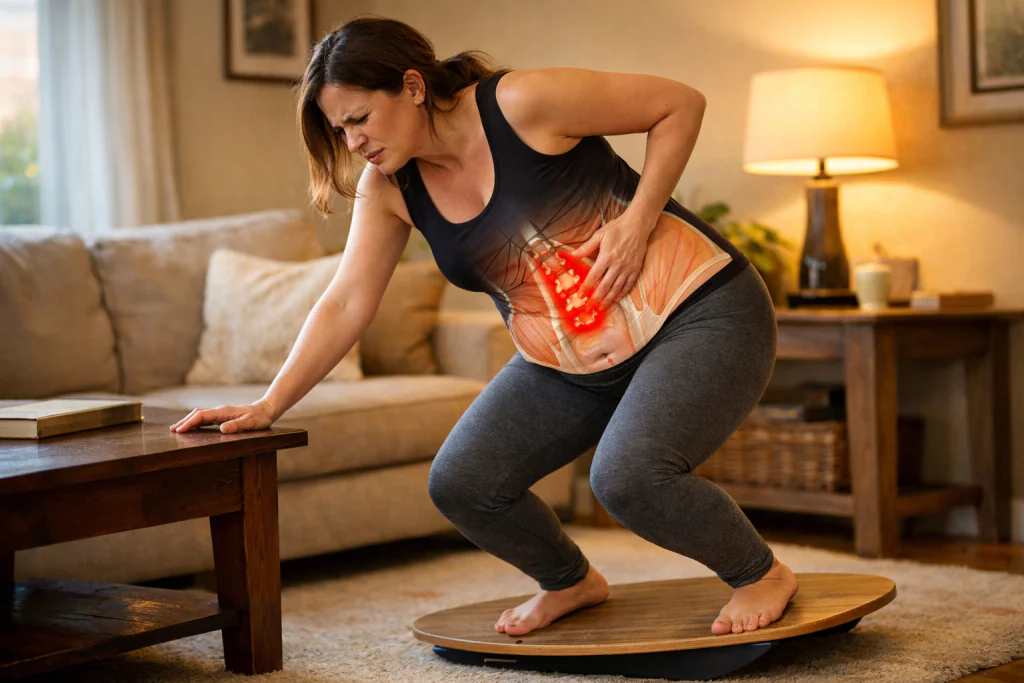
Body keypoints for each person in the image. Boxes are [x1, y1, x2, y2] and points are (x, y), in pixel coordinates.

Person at [170, 15, 799, 638]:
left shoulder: (521, 104)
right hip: (569, 360)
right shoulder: (389, 186)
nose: (354, 141)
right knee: (464, 483)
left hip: (699, 311)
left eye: (360, 118)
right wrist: (268, 403)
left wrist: (637, 221)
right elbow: (345, 303)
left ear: (413, 87)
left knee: (627, 477)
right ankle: (570, 581)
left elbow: (678, 105)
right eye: (341, 129)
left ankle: (759, 573)